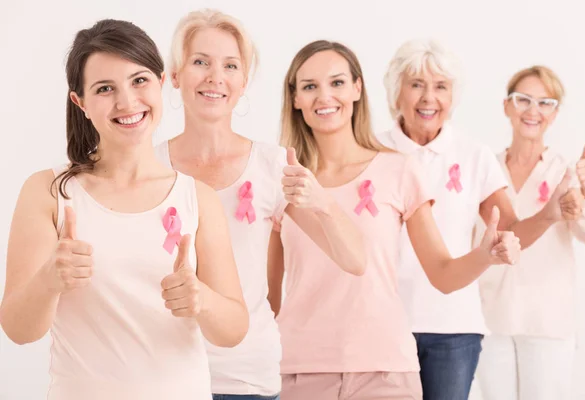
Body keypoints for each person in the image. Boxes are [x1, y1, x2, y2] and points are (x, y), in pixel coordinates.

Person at [0, 19, 248, 400]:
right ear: (79, 102)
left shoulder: (197, 198)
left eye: (139, 80)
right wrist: (50, 279)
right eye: (104, 89)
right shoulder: (48, 192)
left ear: (161, 82)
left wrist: (202, 299)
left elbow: (233, 330)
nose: (127, 101)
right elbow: (19, 330)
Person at [267, 39, 520, 400]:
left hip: (385, 371)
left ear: (357, 88)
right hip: (299, 369)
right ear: (295, 98)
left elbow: (443, 274)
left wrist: (485, 255)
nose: (325, 96)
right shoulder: (280, 178)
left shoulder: (398, 169)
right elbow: (268, 297)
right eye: (310, 86)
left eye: (337, 83)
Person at [156, 10, 366, 400]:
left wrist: (323, 202)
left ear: (244, 80)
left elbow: (355, 260)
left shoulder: (273, 165)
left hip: (245, 377)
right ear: (175, 75)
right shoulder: (148, 167)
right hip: (159, 374)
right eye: (200, 61)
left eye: (230, 65)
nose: (215, 77)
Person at [379, 39, 581, 400]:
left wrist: (550, 213)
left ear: (453, 97)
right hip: (382, 325)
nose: (429, 97)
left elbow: (509, 230)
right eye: (416, 85)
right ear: (396, 92)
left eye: (441, 86)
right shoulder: (373, 152)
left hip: (454, 330)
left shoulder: (474, 156)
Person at [475, 65, 585, 400]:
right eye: (523, 100)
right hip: (491, 320)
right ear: (506, 106)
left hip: (547, 323)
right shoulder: (485, 169)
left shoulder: (565, 171)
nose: (534, 110)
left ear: (555, 114)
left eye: (546, 103)